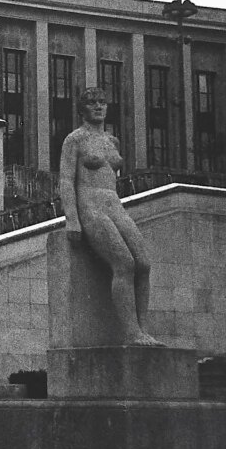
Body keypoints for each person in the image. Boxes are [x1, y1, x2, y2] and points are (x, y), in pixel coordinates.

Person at [59, 87, 160, 346]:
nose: (98, 107)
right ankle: (132, 333)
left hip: (114, 204)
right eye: (92, 103)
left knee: (144, 264)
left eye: (102, 102)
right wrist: (72, 218)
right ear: (82, 109)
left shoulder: (112, 142)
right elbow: (66, 180)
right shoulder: (75, 140)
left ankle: (143, 328)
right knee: (124, 263)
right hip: (90, 205)